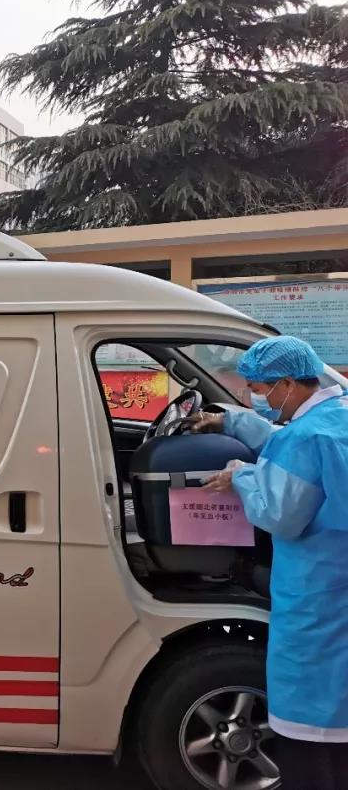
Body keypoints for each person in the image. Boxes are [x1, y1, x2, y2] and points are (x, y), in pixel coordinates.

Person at [194, 336, 348, 790]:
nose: (257, 397)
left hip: (317, 592)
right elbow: (289, 447)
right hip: (339, 580)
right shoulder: (335, 417)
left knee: (309, 726)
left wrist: (241, 477)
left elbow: (279, 514)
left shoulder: (304, 438)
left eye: (260, 389)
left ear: (287, 383)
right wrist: (230, 421)